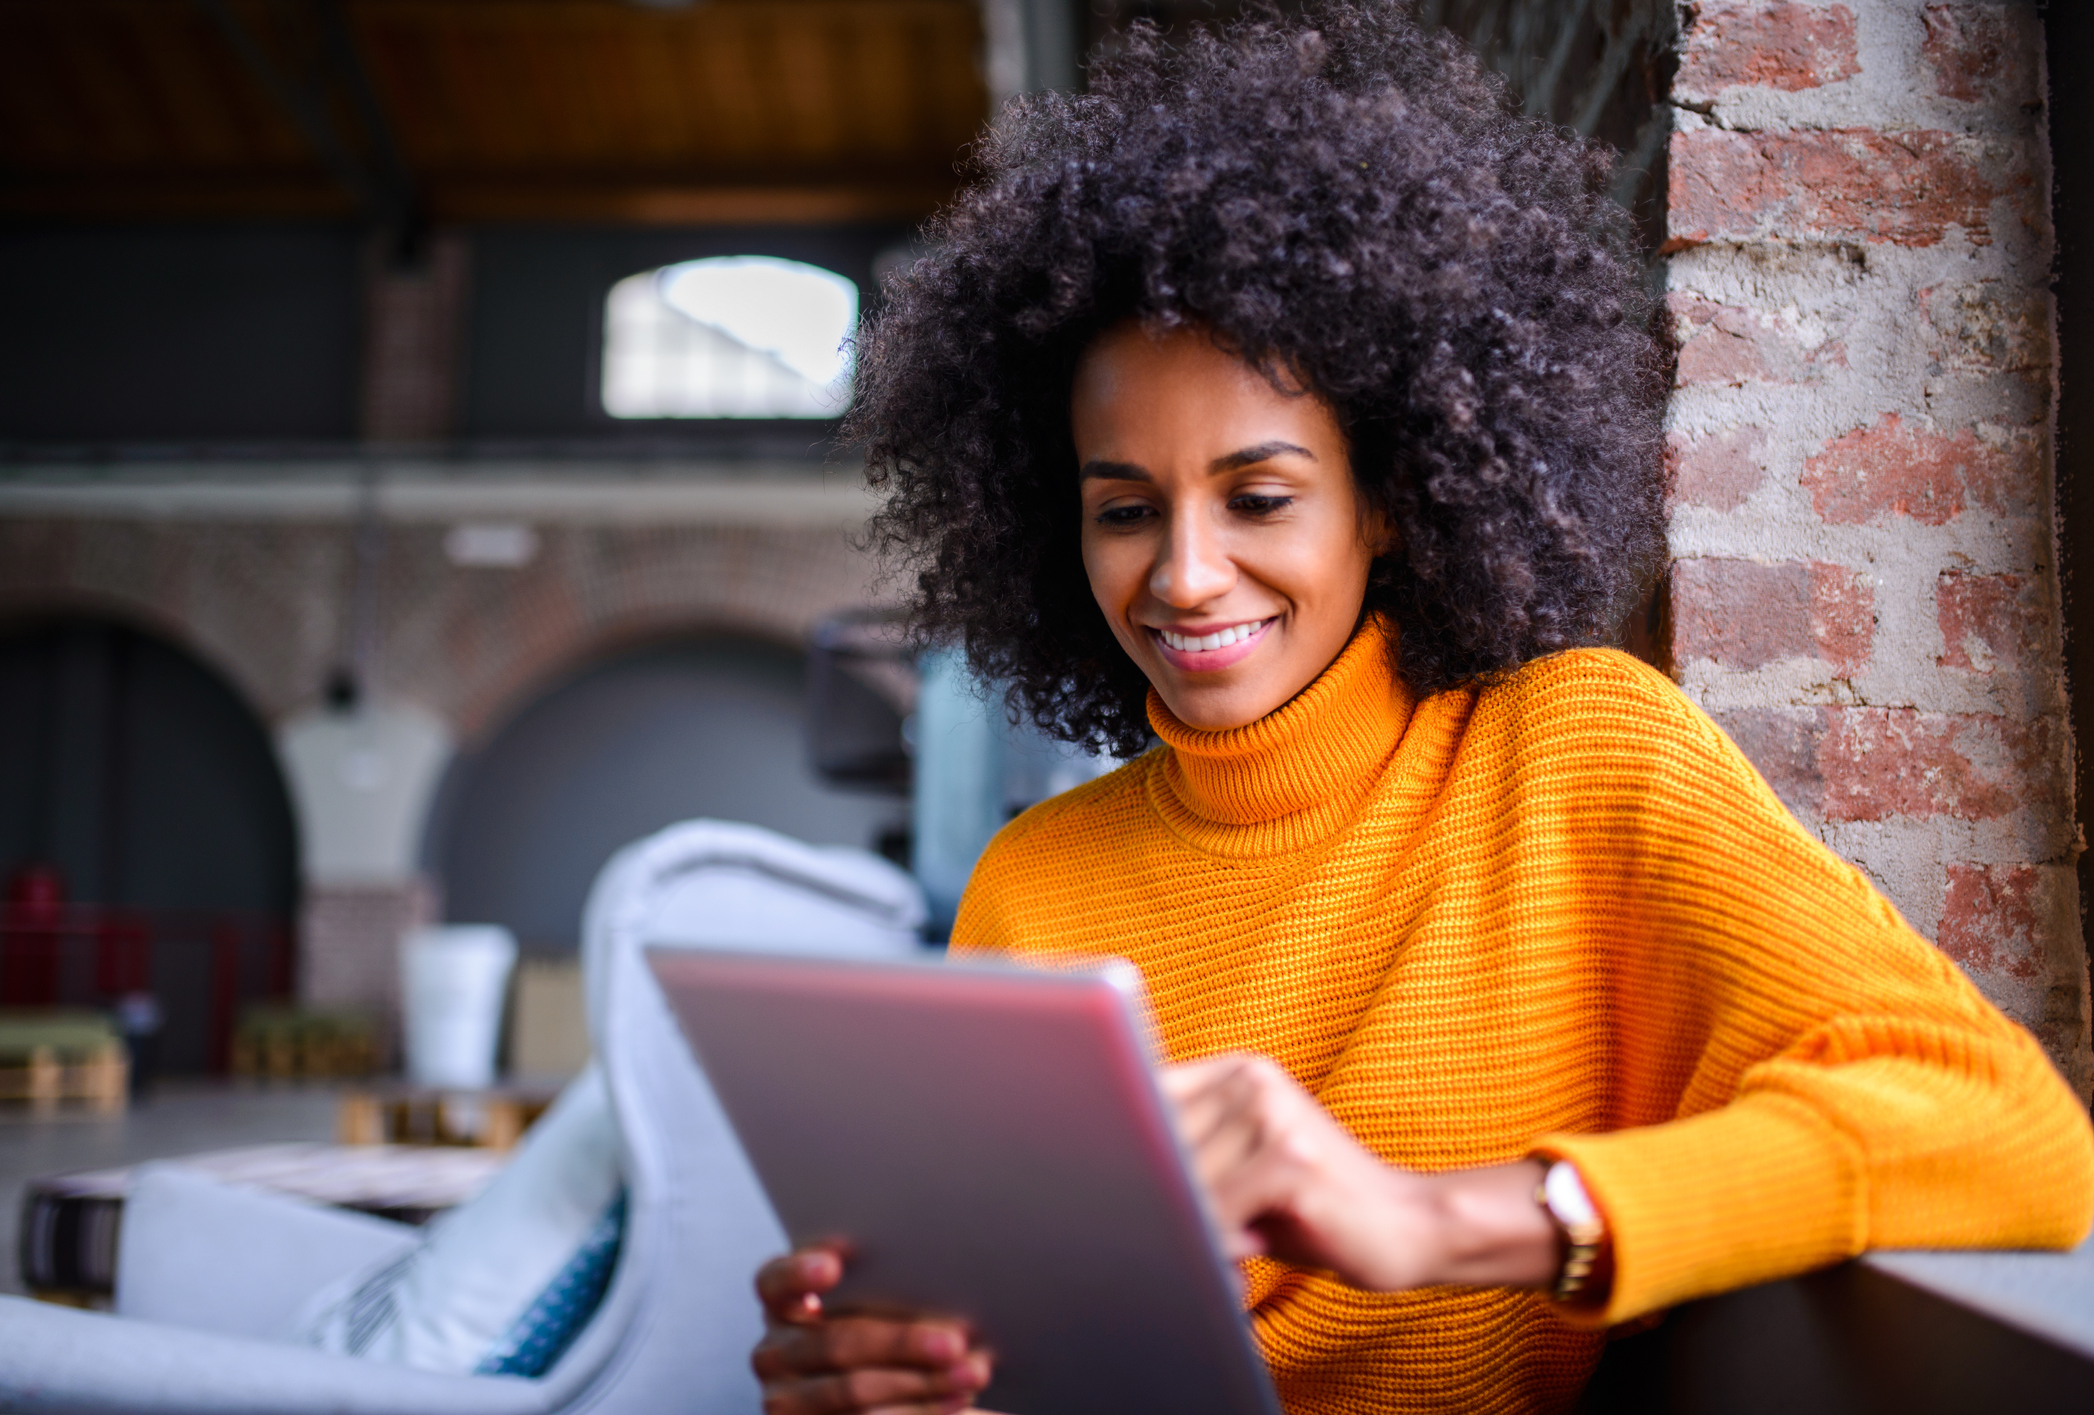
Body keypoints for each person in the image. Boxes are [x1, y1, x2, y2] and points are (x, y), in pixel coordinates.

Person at [748, 5, 2094, 1412]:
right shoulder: (1034, 886)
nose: (1187, 574)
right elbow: (1020, 1352)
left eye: (1260, 498)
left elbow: (2006, 1133)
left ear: (1391, 498)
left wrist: (1439, 1219)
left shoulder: (1572, 753)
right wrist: (887, 1379)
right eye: (1125, 510)